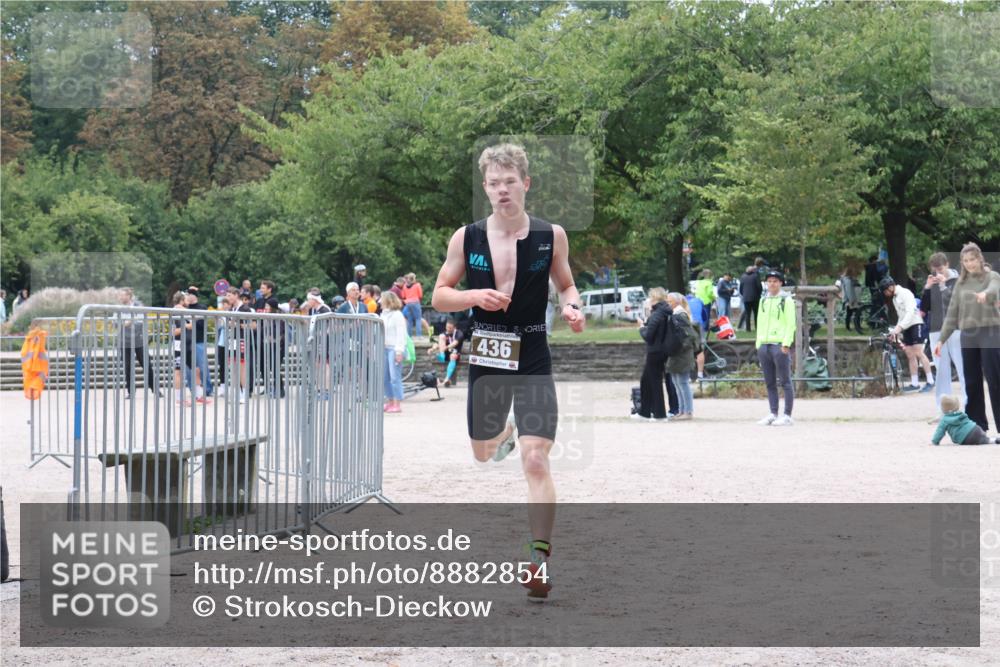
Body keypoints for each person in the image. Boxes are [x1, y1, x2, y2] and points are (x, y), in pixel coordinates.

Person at [430, 142, 585, 603]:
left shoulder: (551, 234)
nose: (502, 190)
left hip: (533, 351)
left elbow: (567, 284)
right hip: (489, 355)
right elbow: (439, 294)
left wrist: (573, 308)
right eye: (494, 183)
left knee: (536, 459)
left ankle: (539, 560)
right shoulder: (467, 237)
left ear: (526, 183)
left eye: (510, 181)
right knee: (482, 452)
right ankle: (504, 435)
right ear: (485, 188)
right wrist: (474, 298)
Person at [934, 243, 1000, 434]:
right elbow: (952, 314)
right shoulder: (961, 284)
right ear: (962, 262)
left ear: (980, 258)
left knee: (994, 380)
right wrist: (941, 340)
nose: (970, 263)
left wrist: (985, 294)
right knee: (971, 382)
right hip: (968, 336)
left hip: (991, 331)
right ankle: (977, 427)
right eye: (966, 260)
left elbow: (995, 288)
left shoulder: (991, 276)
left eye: (972, 259)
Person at [922, 253, 965, 419]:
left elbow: (956, 304)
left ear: (947, 265)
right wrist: (927, 287)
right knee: (941, 371)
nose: (937, 272)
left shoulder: (958, 280)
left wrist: (943, 285)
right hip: (936, 330)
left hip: (955, 329)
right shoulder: (932, 281)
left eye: (940, 269)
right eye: (934, 270)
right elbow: (925, 309)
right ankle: (943, 411)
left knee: (963, 367)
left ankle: (969, 407)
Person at [879, 276, 935, 393]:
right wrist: (895, 330)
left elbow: (910, 312)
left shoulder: (905, 293)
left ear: (890, 287)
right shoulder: (894, 298)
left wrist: (899, 327)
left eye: (885, 291)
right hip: (906, 326)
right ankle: (914, 383)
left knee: (919, 353)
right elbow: (901, 316)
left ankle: (930, 381)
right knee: (910, 354)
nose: (885, 294)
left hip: (915, 323)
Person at [755, 270, 795, 426]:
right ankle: (773, 412)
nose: (772, 284)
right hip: (764, 344)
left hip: (778, 344)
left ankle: (787, 415)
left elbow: (790, 323)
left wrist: (786, 343)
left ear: (780, 283)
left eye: (775, 281)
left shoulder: (786, 300)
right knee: (769, 381)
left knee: (785, 380)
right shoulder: (763, 299)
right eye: (769, 281)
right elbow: (760, 321)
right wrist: (758, 343)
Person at [634, 288, 672, 421]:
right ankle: (645, 412)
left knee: (654, 382)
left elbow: (649, 336)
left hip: (655, 351)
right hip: (660, 350)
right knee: (646, 380)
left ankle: (660, 414)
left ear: (655, 299)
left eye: (651, 298)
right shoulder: (663, 312)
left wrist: (641, 328)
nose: (649, 300)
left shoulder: (657, 314)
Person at [116, 287, 157, 398]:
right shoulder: (118, 308)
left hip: (138, 339)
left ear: (128, 296)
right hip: (124, 341)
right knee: (127, 366)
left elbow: (140, 323)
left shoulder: (138, 306)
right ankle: (131, 392)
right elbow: (116, 324)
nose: (120, 297)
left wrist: (126, 324)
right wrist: (129, 322)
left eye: (122, 295)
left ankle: (155, 389)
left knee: (147, 364)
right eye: (119, 295)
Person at [664, 292, 697, 420]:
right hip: (676, 353)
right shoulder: (675, 314)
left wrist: (680, 346)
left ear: (677, 302)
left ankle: (688, 412)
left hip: (682, 354)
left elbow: (691, 335)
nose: (668, 304)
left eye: (670, 302)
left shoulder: (680, 314)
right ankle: (682, 411)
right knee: (677, 383)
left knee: (682, 383)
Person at [931, 395, 1000, 445]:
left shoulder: (944, 420)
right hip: (975, 428)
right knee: (984, 439)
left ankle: (990, 440)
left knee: (978, 441)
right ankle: (992, 440)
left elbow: (939, 432)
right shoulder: (961, 414)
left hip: (965, 437)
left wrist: (935, 441)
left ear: (943, 408)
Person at [380, 291, 407, 413]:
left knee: (395, 377)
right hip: (384, 348)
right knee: (385, 377)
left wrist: (399, 351)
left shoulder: (397, 315)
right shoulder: (383, 315)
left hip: (394, 349)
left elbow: (401, 334)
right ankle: (390, 401)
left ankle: (397, 403)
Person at [184, 286, 213, 400]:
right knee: (189, 368)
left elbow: (201, 324)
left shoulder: (202, 307)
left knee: (202, 365)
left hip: (199, 340)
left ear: (194, 296)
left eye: (189, 294)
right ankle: (193, 389)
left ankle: (207, 389)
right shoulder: (184, 307)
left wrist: (191, 318)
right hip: (187, 340)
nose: (187, 297)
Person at [170, 291, 195, 405]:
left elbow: (192, 325)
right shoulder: (175, 311)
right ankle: (179, 399)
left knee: (194, 369)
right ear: (181, 300)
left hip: (187, 344)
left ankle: (193, 396)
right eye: (186, 299)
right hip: (179, 344)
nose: (188, 301)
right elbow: (174, 332)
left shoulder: (185, 311)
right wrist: (186, 326)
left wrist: (187, 325)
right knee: (178, 371)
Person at [428, 318, 465, 387]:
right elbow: (438, 344)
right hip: (445, 354)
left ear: (454, 327)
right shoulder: (444, 334)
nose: (448, 329)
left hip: (455, 354)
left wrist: (446, 347)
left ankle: (446, 379)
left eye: (450, 328)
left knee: (453, 356)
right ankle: (442, 356)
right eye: (447, 327)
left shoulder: (459, 333)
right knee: (441, 336)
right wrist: (432, 349)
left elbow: (455, 343)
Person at [837, 267, 863, 334]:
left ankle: (853, 326)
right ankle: (852, 327)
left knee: (852, 313)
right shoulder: (848, 280)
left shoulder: (847, 279)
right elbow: (849, 291)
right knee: (852, 313)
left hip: (850, 299)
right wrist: (851, 300)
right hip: (850, 300)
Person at [738, 265, 762, 332]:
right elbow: (759, 287)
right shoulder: (755, 276)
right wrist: (759, 294)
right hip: (755, 298)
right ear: (752, 270)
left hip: (746, 298)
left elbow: (741, 288)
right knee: (756, 313)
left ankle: (748, 329)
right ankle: (757, 327)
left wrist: (744, 295)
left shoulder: (743, 277)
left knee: (747, 314)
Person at [401, 273, 424, 337]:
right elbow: (420, 295)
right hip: (415, 302)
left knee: (409, 320)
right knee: (418, 319)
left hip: (407, 303)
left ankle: (409, 336)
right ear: (414, 278)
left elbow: (403, 296)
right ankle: (419, 335)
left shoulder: (405, 286)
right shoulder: (417, 285)